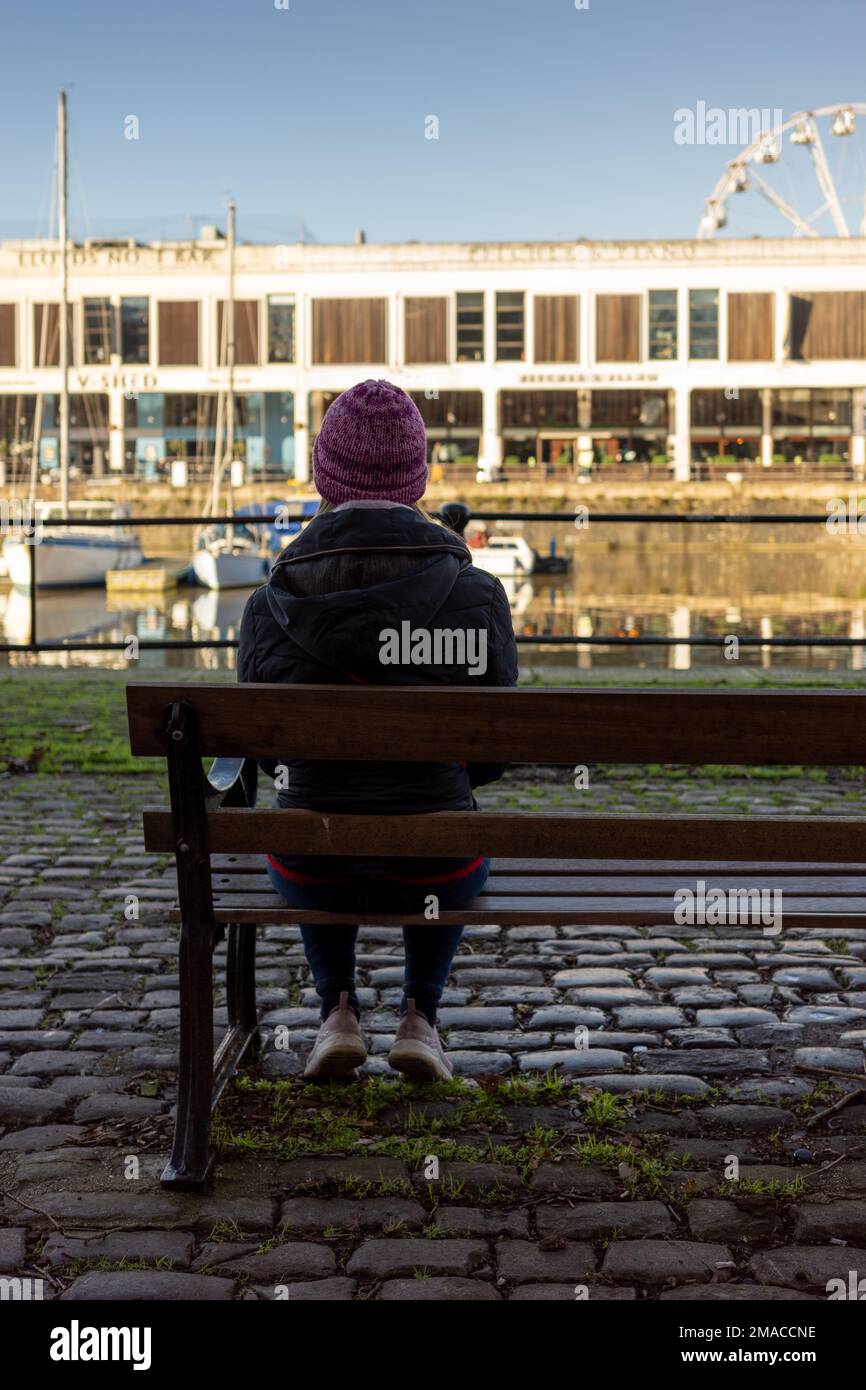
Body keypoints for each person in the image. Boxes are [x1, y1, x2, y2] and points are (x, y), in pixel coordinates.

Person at [238, 379, 517, 1082]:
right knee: (451, 815)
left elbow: (263, 752)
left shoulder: (267, 605)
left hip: (312, 864)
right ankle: (420, 1018)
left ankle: (336, 1012)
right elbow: (493, 757)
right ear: (418, 476)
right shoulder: (477, 596)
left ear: (321, 472)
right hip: (441, 865)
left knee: (306, 813)